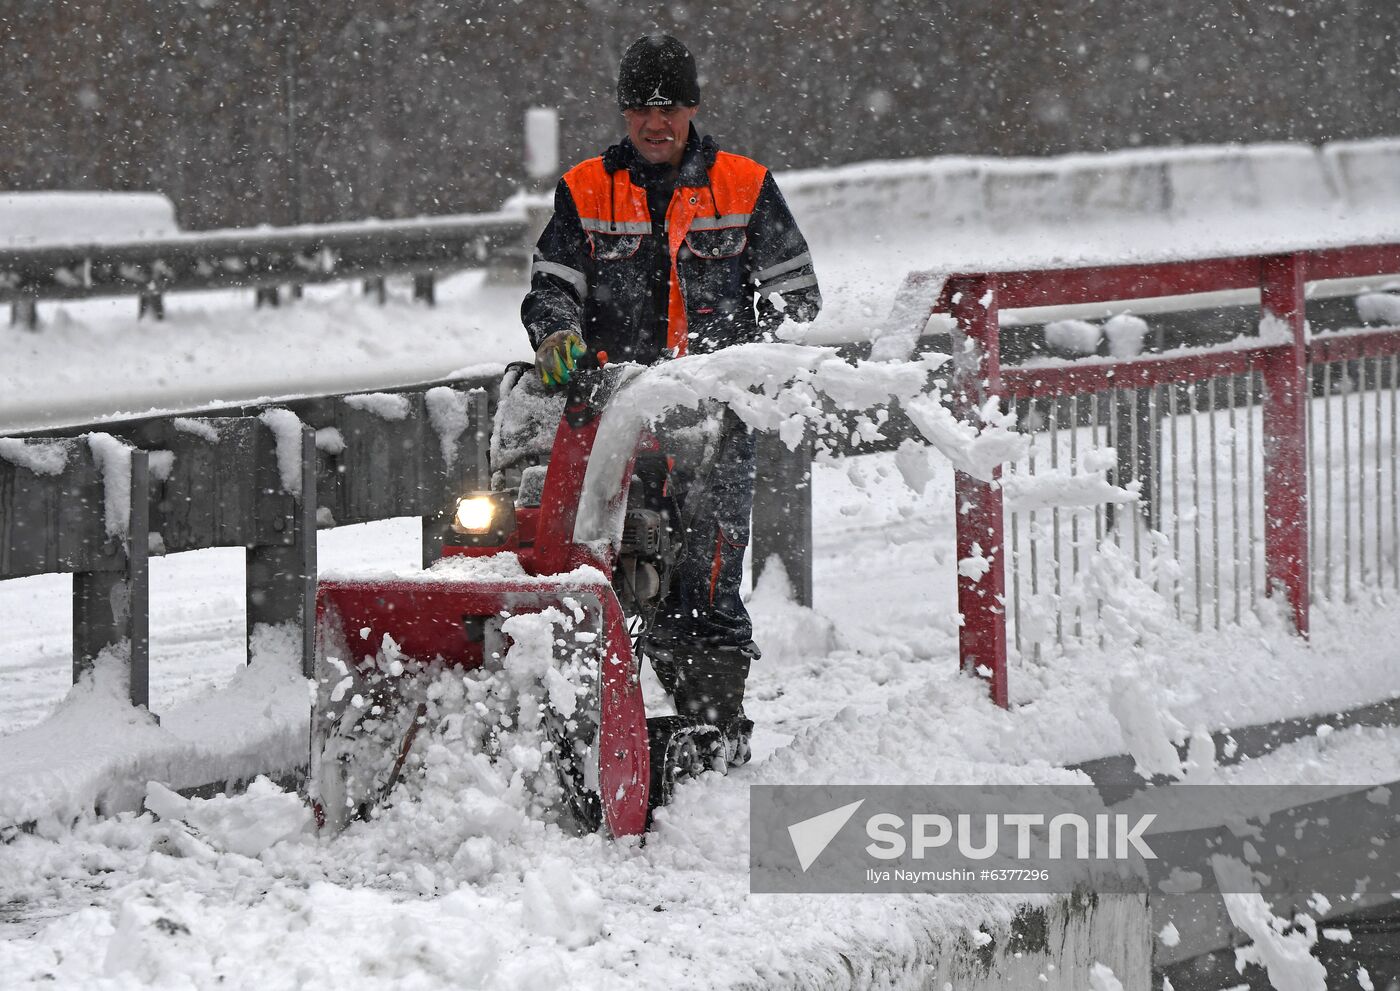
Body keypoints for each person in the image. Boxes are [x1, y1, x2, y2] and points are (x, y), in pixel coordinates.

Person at [521, 34, 821, 761]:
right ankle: (581, 729)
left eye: (670, 108)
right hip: (608, 415)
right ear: (624, 113)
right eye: (641, 110)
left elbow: (797, 296)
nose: (656, 124)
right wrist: (556, 333)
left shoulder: (745, 185)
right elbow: (552, 286)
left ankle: (714, 736)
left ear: (693, 107)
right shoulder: (586, 188)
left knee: (703, 580)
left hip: (711, 421)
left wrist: (753, 357)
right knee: (585, 565)